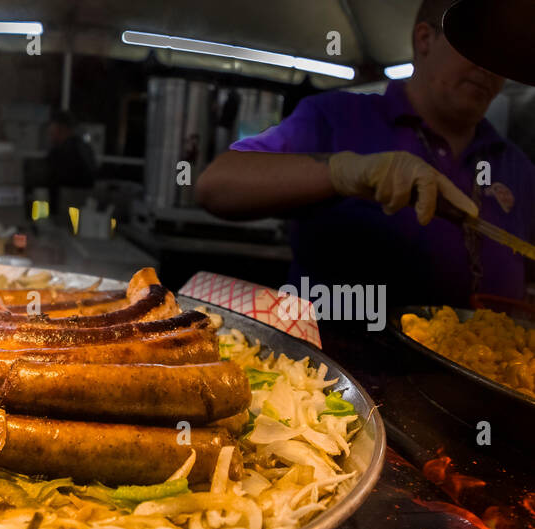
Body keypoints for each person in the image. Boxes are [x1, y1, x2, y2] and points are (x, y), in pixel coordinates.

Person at [196, 0, 534, 310]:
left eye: (499, 56)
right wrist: (344, 171)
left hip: (483, 368)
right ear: (425, 40)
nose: (488, 68)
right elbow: (216, 186)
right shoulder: (335, 117)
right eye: (473, 47)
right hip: (331, 369)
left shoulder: (515, 165)